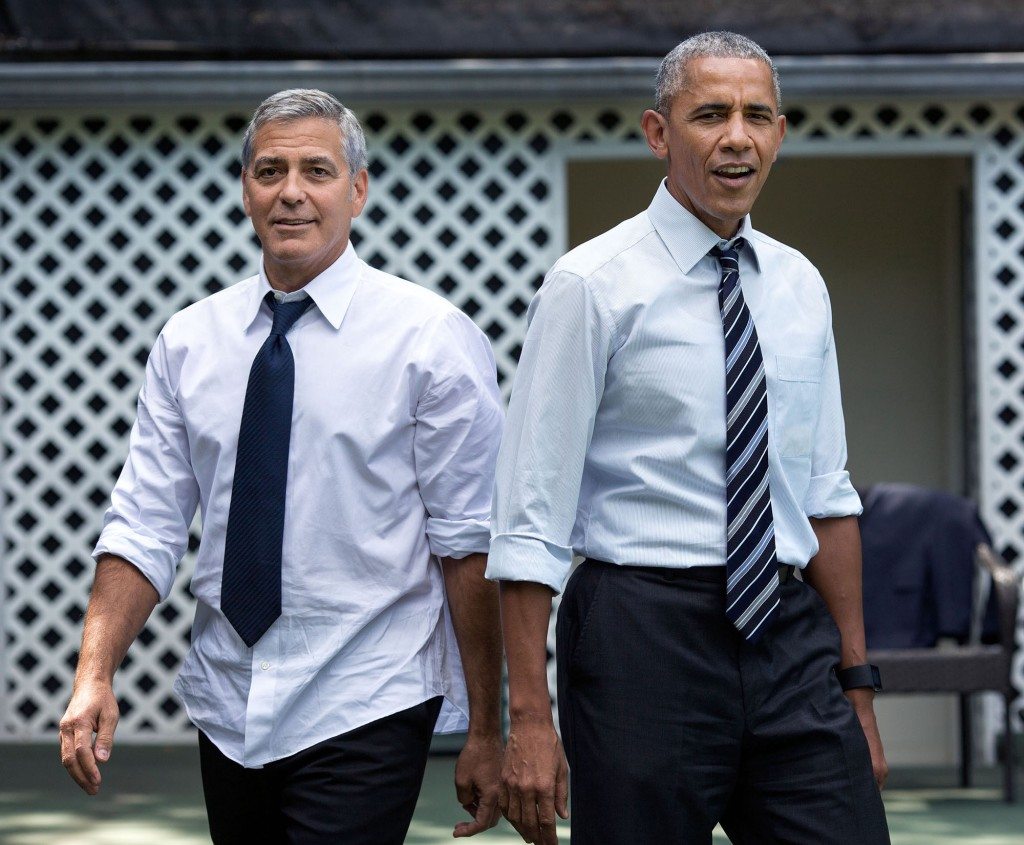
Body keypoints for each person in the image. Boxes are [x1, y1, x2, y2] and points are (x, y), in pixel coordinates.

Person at [59, 88, 505, 844]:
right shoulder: (190, 341)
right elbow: (145, 524)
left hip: (367, 695)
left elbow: (471, 544)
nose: (291, 192)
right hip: (227, 702)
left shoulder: (429, 339)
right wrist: (93, 670)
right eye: (269, 170)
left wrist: (494, 726)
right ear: (245, 189)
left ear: (357, 189)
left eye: (317, 171)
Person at [488, 32, 890, 845]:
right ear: (658, 133)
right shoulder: (591, 286)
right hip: (641, 632)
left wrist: (857, 688)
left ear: (779, 132)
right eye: (709, 114)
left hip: (785, 627)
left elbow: (825, 494)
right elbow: (528, 515)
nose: (736, 136)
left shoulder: (800, 285)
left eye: (756, 115)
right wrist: (530, 717)